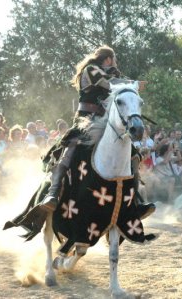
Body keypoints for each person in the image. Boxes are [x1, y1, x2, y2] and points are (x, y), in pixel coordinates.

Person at [40, 45, 149, 213]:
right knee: (72, 146)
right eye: (114, 59)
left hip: (105, 120)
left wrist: (132, 84)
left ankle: (136, 200)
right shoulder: (91, 69)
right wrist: (133, 83)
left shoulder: (112, 72)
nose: (115, 63)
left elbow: (122, 86)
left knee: (132, 152)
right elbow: (108, 84)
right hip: (86, 118)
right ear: (108, 58)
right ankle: (53, 192)